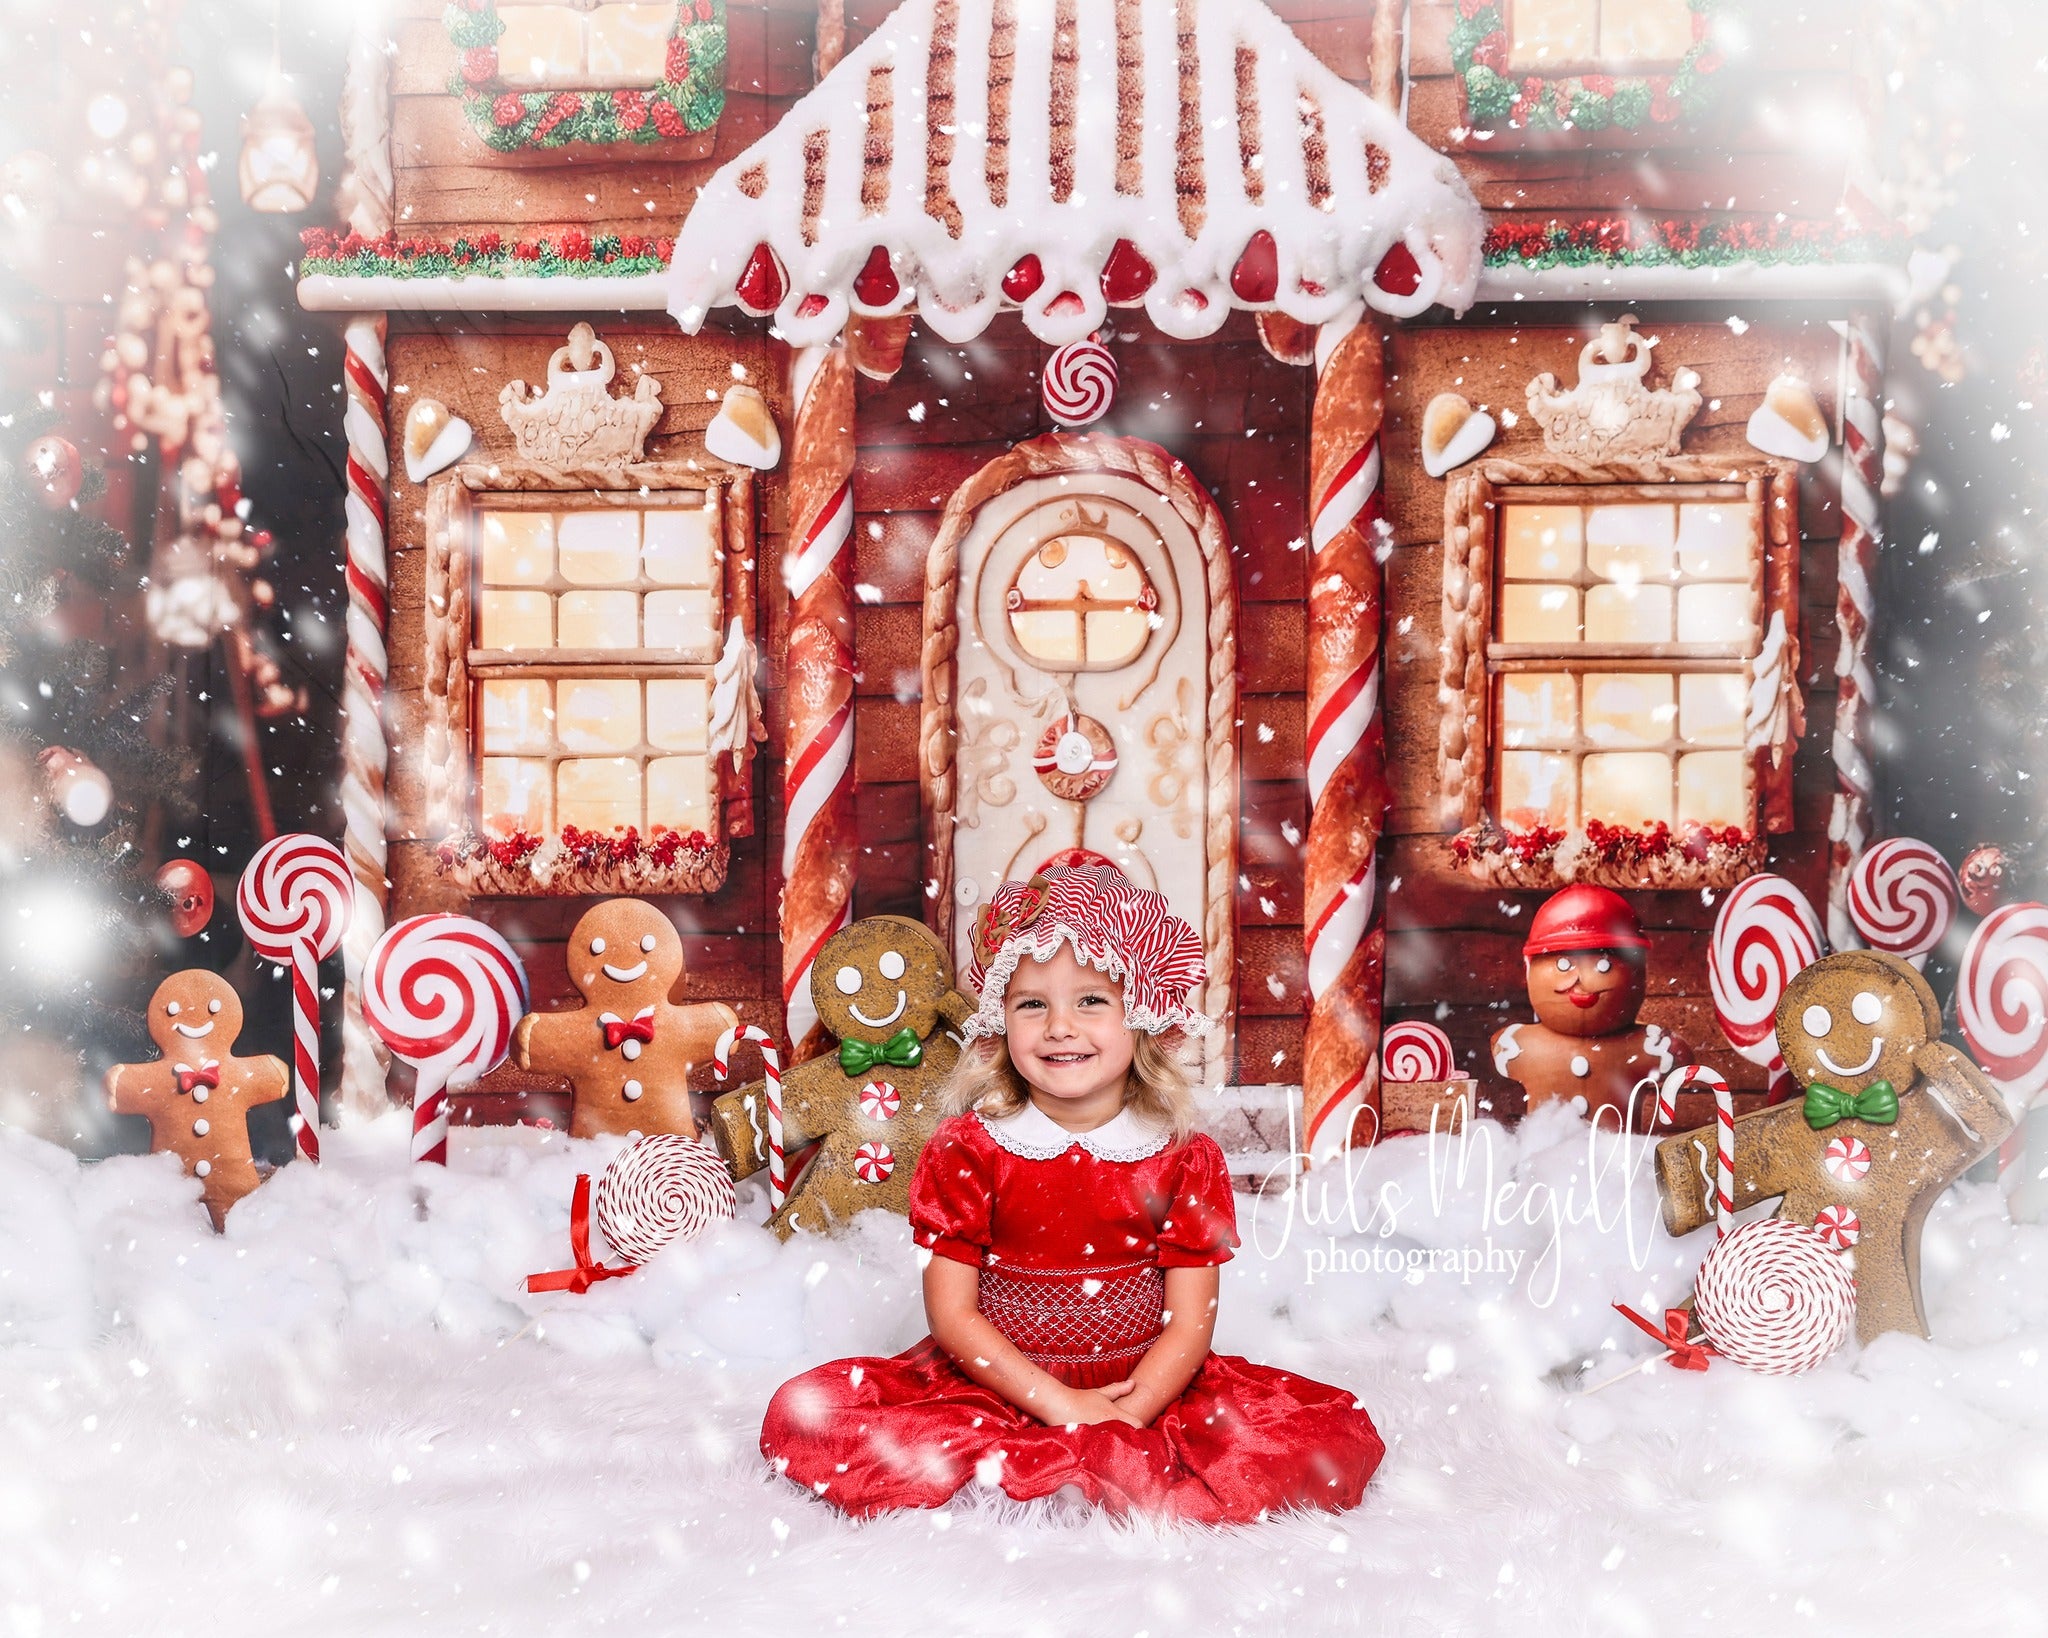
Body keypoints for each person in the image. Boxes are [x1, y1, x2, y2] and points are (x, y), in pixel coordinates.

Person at [759, 864, 1385, 1524]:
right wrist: (1061, 1408)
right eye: (1033, 1003)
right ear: (1001, 1020)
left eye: (1091, 1000)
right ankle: (1036, 1461)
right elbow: (954, 1318)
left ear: (1141, 1016)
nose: (1060, 1026)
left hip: (1141, 1383)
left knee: (1316, 1437)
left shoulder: (1180, 1155)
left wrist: (1127, 1412)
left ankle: (1089, 1465)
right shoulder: (970, 1148)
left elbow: (1190, 1319)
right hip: (998, 1381)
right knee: (811, 1415)